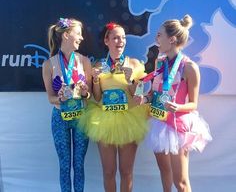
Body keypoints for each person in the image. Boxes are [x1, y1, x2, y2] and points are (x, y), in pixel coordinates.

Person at [136, 15, 212, 192]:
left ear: (171, 39)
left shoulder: (189, 67)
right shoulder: (159, 62)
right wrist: (144, 99)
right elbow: (153, 93)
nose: (156, 39)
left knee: (181, 182)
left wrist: (178, 107)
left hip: (177, 126)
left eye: (159, 35)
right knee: (164, 173)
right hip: (159, 123)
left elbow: (193, 104)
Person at [81, 22, 148, 192]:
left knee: (126, 172)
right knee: (109, 172)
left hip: (129, 120)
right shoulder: (98, 65)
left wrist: (131, 79)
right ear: (106, 41)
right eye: (116, 37)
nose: (121, 41)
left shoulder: (133, 64)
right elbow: (96, 97)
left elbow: (139, 94)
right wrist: (95, 79)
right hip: (104, 122)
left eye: (123, 37)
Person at [42, 17, 92, 192]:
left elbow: (89, 94)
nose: (82, 38)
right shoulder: (49, 64)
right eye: (78, 34)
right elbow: (51, 98)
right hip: (60, 118)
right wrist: (61, 98)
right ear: (66, 36)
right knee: (64, 165)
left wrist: (85, 92)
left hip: (81, 117)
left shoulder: (84, 61)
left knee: (79, 165)